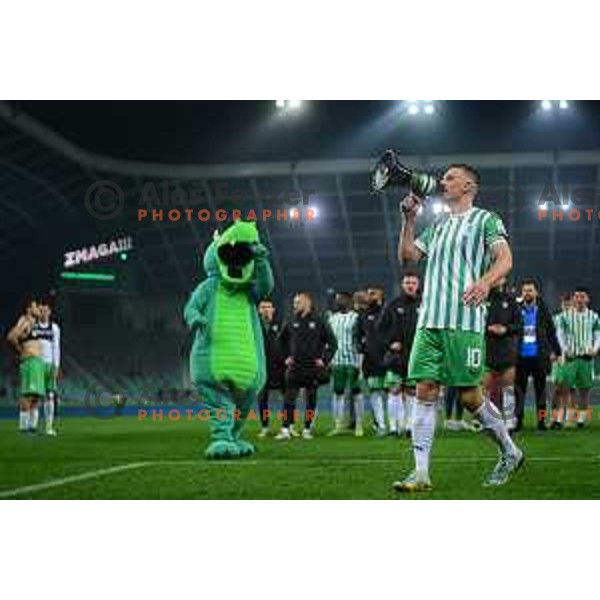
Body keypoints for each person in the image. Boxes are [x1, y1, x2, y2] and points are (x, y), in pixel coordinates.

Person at [394, 163, 522, 492]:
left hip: (463, 320)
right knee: (423, 390)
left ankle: (510, 451)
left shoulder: (486, 219)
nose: (443, 182)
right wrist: (408, 220)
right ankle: (420, 472)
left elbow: (505, 259)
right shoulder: (437, 225)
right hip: (430, 320)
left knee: (468, 396)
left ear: (469, 186)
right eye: (444, 177)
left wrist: (485, 281)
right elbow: (407, 257)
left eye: (451, 177)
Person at [277, 292, 337, 440]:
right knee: (289, 399)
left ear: (307, 303)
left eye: (298, 302)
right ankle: (285, 428)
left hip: (312, 368)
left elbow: (333, 343)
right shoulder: (290, 320)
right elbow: (280, 341)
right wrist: (286, 357)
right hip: (295, 368)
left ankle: (307, 428)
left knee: (311, 400)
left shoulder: (319, 321)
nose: (294, 305)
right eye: (294, 302)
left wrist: (324, 359)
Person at [514, 279, 561, 431]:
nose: (527, 293)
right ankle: (518, 422)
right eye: (525, 291)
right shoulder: (516, 309)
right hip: (520, 358)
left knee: (540, 392)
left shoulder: (543, 310)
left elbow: (551, 333)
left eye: (530, 290)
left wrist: (558, 352)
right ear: (521, 294)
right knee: (519, 392)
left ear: (536, 292)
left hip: (539, 358)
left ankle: (541, 422)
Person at [378, 271, 420, 437]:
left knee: (411, 391)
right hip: (395, 357)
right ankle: (394, 427)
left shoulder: (424, 304)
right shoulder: (393, 304)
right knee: (394, 390)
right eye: (407, 282)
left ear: (417, 285)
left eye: (413, 283)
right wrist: (390, 343)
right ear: (403, 285)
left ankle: (409, 427)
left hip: (415, 356)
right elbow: (380, 329)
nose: (410, 285)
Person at [554, 287, 600, 429]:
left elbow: (598, 334)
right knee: (564, 389)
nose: (580, 299)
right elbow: (560, 334)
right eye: (577, 297)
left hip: (586, 358)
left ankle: (581, 420)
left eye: (582, 297)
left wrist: (595, 349)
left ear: (587, 299)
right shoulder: (565, 316)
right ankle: (560, 419)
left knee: (584, 390)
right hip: (571, 357)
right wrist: (564, 350)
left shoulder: (594, 316)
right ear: (574, 299)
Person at [482, 280, 521, 433]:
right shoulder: (481, 297)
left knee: (508, 387)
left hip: (506, 349)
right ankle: (487, 420)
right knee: (485, 388)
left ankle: (510, 420)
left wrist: (505, 329)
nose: (497, 280)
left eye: (501, 277)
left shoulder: (511, 300)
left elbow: (519, 324)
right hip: (486, 348)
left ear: (504, 279)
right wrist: (488, 328)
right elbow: (472, 322)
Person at [327, 292, 364, 437]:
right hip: (337, 361)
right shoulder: (332, 318)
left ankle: (359, 425)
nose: (338, 302)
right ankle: (338, 424)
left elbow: (361, 337)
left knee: (356, 393)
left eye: (341, 299)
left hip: (353, 360)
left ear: (348, 301)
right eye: (337, 300)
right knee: (338, 393)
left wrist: (360, 361)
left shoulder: (356, 317)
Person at [6, 299, 46, 433]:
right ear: (29, 309)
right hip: (30, 362)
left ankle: (32, 427)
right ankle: (23, 428)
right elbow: (11, 336)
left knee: (37, 396)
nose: (38, 308)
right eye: (35, 307)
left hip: (38, 362)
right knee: (28, 395)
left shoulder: (34, 323)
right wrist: (21, 350)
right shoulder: (25, 320)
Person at [356, 286, 387, 435]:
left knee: (394, 392)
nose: (370, 296)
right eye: (368, 294)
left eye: (373, 293)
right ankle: (381, 425)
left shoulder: (387, 312)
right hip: (371, 360)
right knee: (375, 391)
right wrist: (361, 347)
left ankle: (397, 425)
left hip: (390, 359)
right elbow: (357, 335)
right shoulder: (362, 315)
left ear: (381, 295)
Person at [256, 298, 286, 437]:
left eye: (268, 307)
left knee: (287, 398)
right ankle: (265, 426)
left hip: (280, 367)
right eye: (263, 307)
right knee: (262, 399)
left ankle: (287, 426)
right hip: (262, 367)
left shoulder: (281, 324)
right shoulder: (254, 326)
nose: (266, 309)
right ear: (258, 310)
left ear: (273, 309)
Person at [35, 300, 61, 435]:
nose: (44, 312)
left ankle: (49, 427)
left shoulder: (54, 328)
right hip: (36, 365)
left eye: (46, 310)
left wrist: (56, 366)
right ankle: (32, 426)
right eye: (42, 310)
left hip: (49, 365)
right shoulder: (33, 326)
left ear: (50, 312)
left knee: (49, 396)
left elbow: (56, 348)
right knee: (35, 397)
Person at [550, 295, 574, 429]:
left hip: (572, 359)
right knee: (558, 388)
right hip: (559, 358)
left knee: (570, 389)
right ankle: (555, 419)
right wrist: (551, 352)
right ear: (561, 305)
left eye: (569, 304)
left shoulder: (577, 320)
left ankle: (568, 419)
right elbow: (550, 336)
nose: (566, 306)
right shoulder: (556, 319)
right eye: (564, 303)